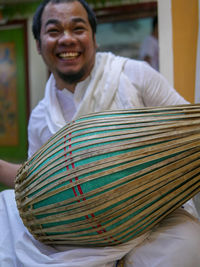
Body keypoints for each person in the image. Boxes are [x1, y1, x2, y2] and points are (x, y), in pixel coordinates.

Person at [0, 0, 200, 266]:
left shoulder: (135, 75)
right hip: (79, 232)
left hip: (155, 218)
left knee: (186, 247)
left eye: (78, 28)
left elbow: (190, 134)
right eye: (54, 31)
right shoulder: (39, 117)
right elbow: (36, 184)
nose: (67, 39)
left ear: (94, 38)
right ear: (38, 44)